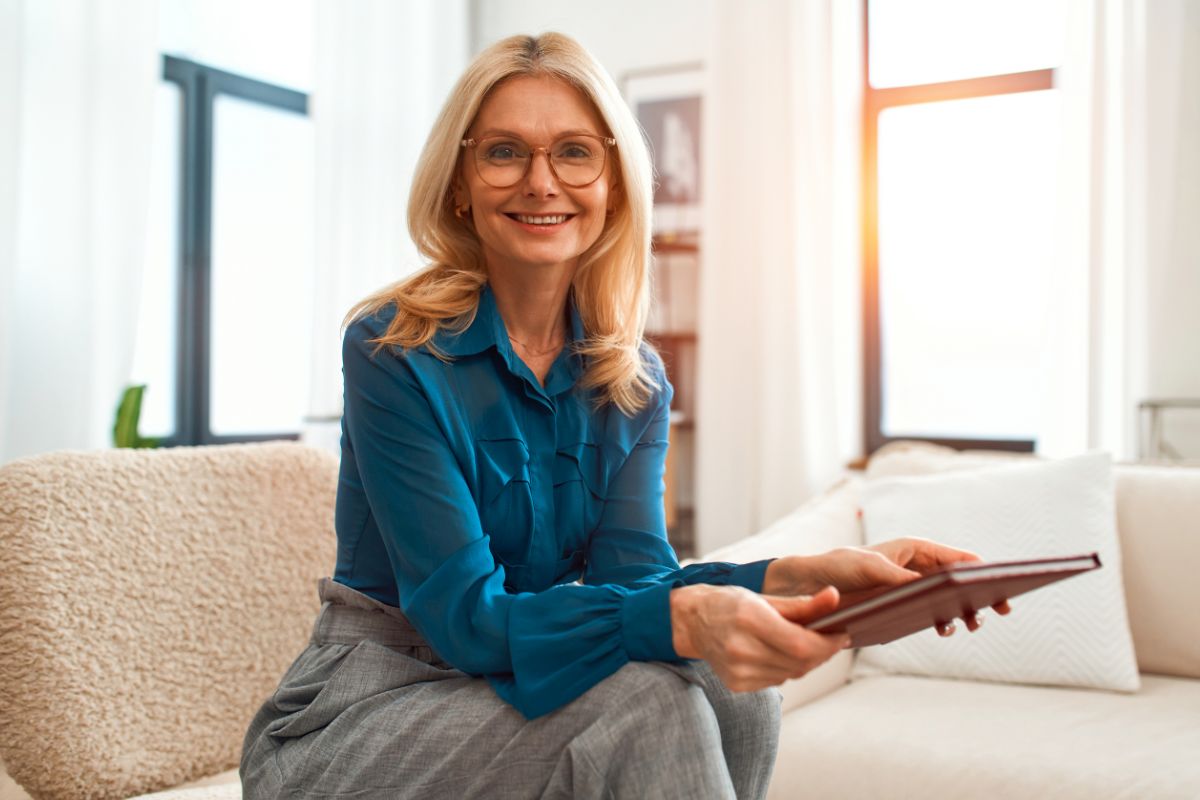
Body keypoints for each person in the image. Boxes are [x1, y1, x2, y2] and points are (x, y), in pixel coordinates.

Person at [240, 32, 1005, 800]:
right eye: (505, 152)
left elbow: (639, 583)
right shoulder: (391, 350)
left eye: (575, 153)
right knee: (648, 705)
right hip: (367, 711)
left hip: (501, 690)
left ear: (612, 186)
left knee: (733, 691)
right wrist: (687, 617)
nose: (542, 183)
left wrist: (792, 574)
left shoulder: (632, 382)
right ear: (460, 182)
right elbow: (469, 618)